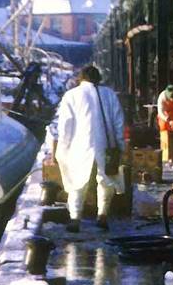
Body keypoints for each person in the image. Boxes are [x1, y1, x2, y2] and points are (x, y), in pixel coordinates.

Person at [54, 64, 125, 232]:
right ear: (98, 78)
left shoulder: (71, 95)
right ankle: (102, 215)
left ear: (81, 78)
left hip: (80, 145)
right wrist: (120, 144)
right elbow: (119, 122)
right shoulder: (109, 94)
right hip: (107, 145)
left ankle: (75, 218)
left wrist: (63, 148)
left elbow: (65, 126)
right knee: (106, 180)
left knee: (77, 181)